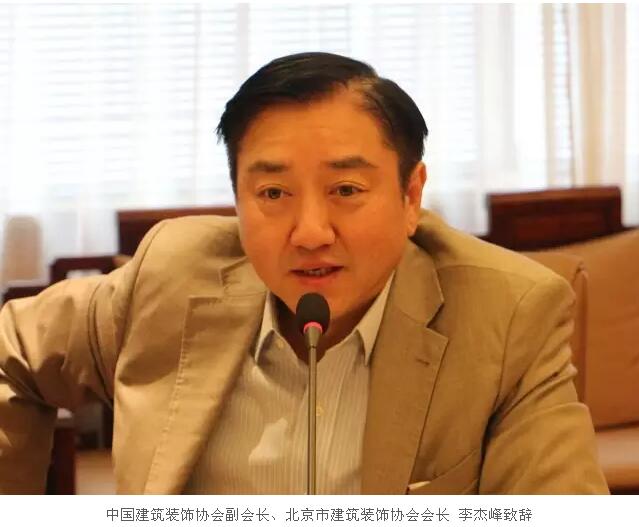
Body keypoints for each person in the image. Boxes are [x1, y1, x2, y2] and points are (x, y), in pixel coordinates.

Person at [0, 52, 607, 495]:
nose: (310, 231)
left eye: (346, 189)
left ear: (410, 195)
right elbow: (13, 351)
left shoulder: (507, 313)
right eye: (273, 193)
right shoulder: (173, 273)